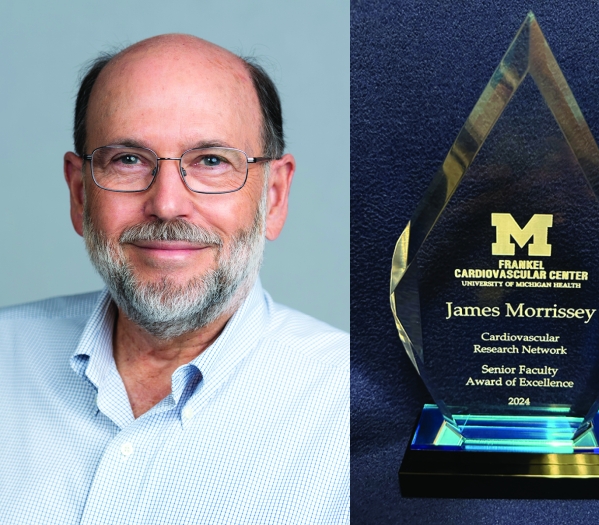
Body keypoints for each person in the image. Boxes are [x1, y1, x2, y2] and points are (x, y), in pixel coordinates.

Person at [0, 34, 348, 525]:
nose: (166, 204)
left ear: (274, 195)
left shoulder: (356, 411)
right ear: (80, 194)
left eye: (211, 162)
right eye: (128, 159)